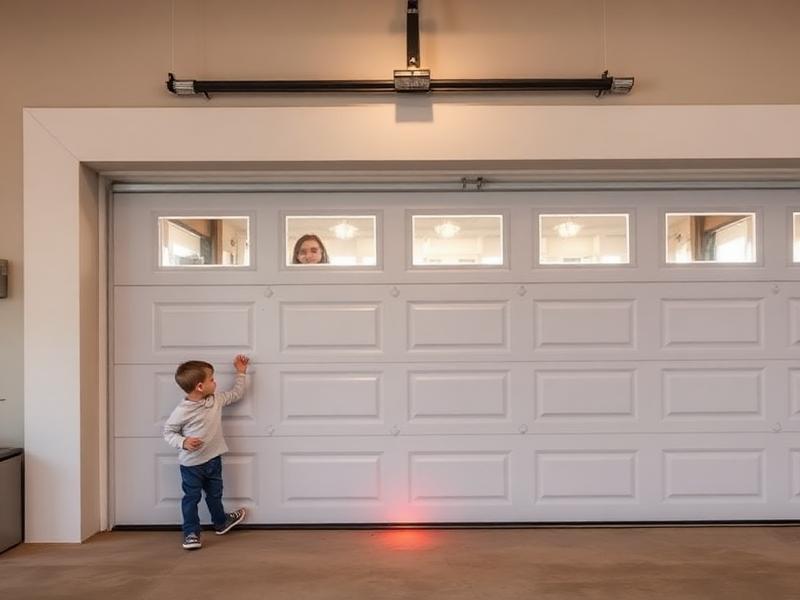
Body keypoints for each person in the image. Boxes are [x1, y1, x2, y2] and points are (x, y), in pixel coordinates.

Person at [164, 354, 250, 550]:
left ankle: (221, 522)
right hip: (191, 465)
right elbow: (169, 432)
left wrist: (241, 373)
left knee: (215, 495)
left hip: (213, 459)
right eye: (211, 379)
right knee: (191, 499)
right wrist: (183, 441)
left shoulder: (215, 400)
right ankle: (191, 533)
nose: (215, 382)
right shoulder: (182, 410)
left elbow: (236, 394)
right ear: (200, 387)